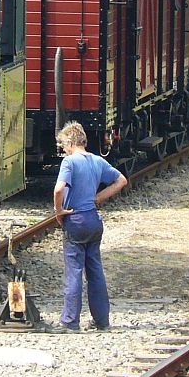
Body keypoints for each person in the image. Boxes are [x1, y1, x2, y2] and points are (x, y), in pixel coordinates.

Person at [52, 121, 128, 332]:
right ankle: (101, 320)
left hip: (75, 220)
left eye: (63, 145)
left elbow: (58, 189)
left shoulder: (69, 162)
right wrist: (99, 198)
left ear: (70, 142)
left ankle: (70, 321)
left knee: (74, 271)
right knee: (95, 271)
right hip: (94, 221)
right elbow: (121, 180)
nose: (63, 150)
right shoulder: (97, 160)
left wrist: (59, 211)